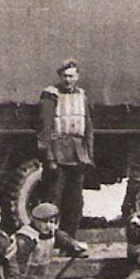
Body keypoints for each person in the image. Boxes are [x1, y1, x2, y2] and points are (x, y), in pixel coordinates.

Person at [36, 59, 94, 236]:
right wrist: (50, 158)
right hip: (58, 152)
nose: (68, 80)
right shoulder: (50, 95)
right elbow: (44, 128)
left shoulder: (81, 95)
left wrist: (89, 154)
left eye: (71, 76)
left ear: (77, 76)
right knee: (54, 199)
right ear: (59, 76)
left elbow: (88, 126)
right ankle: (49, 238)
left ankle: (70, 238)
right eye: (65, 76)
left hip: (78, 154)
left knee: (75, 200)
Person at [7, 201, 89, 279]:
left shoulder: (51, 232)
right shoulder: (25, 239)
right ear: (35, 220)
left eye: (52, 222)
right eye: (45, 222)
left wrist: (75, 245)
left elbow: (63, 238)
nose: (49, 226)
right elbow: (16, 273)